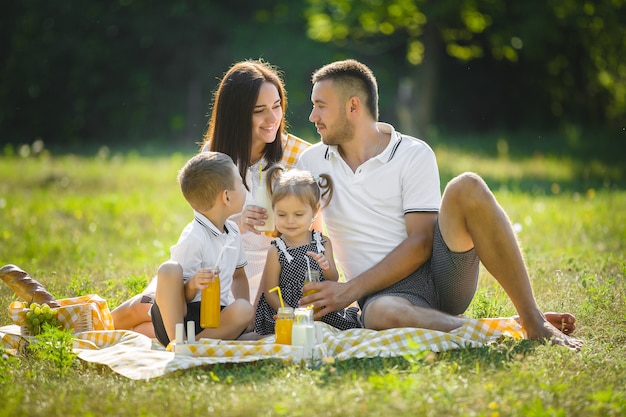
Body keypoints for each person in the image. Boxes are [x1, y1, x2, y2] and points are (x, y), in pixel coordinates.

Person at [297, 59, 582, 350]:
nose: (312, 116)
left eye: (321, 105)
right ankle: (501, 328)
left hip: (442, 275)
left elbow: (421, 243)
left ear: (353, 106)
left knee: (467, 185)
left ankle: (532, 319)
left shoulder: (412, 153)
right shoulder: (310, 162)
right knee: (381, 313)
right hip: (383, 296)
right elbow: (304, 232)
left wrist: (348, 291)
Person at [111, 59, 310, 337]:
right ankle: (77, 324)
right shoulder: (216, 152)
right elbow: (205, 213)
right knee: (142, 309)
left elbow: (312, 229)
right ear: (236, 115)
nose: (272, 118)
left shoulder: (300, 156)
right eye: (259, 111)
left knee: (152, 323)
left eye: (277, 106)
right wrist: (238, 221)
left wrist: (282, 221)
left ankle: (178, 341)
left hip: (264, 268)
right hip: (215, 259)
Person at [150, 152, 254, 346]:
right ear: (227, 197)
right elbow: (176, 295)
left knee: (245, 309)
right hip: (178, 319)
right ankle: (178, 343)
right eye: (240, 183)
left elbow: (239, 276)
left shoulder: (232, 231)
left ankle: (194, 344)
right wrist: (192, 284)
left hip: (213, 319)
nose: (245, 188)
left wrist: (246, 323)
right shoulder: (194, 237)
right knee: (169, 269)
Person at [254, 166, 360, 335]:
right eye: (281, 215)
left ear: (315, 210)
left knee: (336, 330)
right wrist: (291, 313)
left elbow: (333, 278)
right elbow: (270, 292)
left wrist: (326, 267)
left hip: (319, 308)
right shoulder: (277, 249)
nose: (290, 221)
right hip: (288, 311)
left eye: (298, 214)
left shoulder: (322, 242)